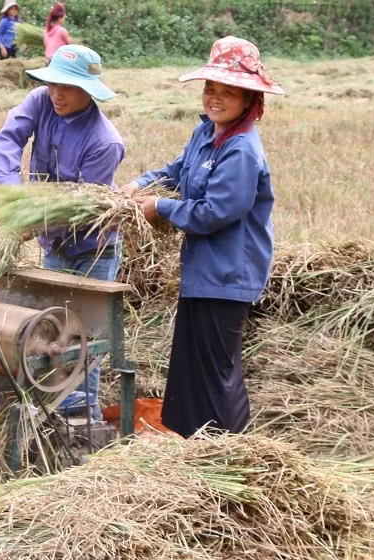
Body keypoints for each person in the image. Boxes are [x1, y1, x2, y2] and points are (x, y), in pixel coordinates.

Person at [122, 36, 284, 437]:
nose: (216, 97)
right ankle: (195, 445)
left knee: (216, 369)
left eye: (228, 91)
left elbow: (216, 212)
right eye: (211, 87)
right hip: (203, 272)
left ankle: (229, 449)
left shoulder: (241, 149)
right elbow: (176, 172)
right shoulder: (207, 134)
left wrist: (158, 208)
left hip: (228, 275)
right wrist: (139, 185)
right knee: (192, 366)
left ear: (249, 99)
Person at [0, 45, 124, 420]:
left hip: (92, 251)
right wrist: (11, 194)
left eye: (68, 87)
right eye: (53, 84)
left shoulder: (104, 142)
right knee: (53, 334)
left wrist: (31, 222)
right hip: (54, 247)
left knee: (82, 345)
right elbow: (7, 140)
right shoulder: (40, 101)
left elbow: (78, 210)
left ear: (89, 90)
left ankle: (81, 423)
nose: (57, 94)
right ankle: (54, 416)